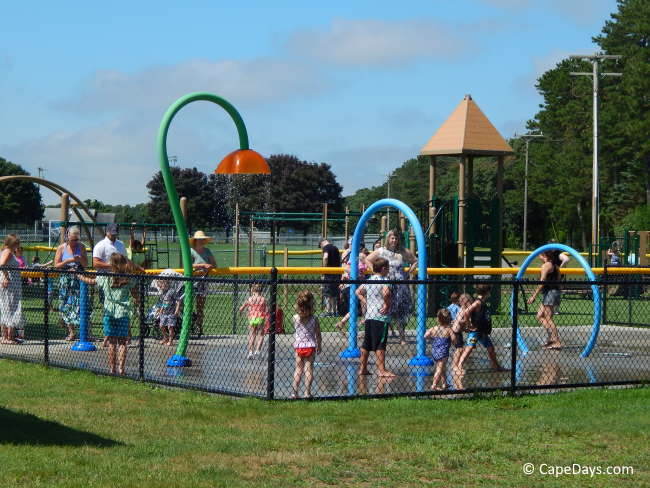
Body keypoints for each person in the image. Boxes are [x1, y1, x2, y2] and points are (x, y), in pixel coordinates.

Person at [77, 253, 138, 375]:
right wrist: (137, 300)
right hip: (123, 312)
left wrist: (79, 276)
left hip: (109, 312)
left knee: (111, 342)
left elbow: (91, 281)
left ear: (111, 264)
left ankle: (112, 368)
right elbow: (135, 293)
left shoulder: (105, 277)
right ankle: (121, 368)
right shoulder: (128, 278)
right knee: (122, 342)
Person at [366, 229, 416, 344]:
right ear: (388, 239)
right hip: (386, 284)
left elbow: (415, 261)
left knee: (400, 312)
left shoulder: (402, 252)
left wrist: (408, 273)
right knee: (384, 309)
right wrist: (375, 272)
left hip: (400, 286)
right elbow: (367, 259)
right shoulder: (381, 251)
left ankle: (402, 337)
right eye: (392, 238)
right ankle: (380, 336)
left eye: (396, 238)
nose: (394, 240)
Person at [356, 257, 396, 377]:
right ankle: (381, 370)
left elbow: (358, 292)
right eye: (388, 268)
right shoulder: (385, 280)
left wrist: (366, 301)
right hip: (381, 316)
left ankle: (363, 368)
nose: (388, 270)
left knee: (366, 343)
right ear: (383, 268)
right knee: (380, 343)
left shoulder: (370, 280)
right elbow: (386, 293)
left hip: (369, 315)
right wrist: (387, 304)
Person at [457, 284, 507, 372]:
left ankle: (496, 366)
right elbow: (466, 312)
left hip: (482, 332)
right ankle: (459, 366)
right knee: (469, 347)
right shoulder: (478, 302)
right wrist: (469, 325)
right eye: (489, 292)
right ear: (487, 293)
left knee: (490, 348)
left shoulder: (482, 302)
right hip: (475, 332)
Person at [54, 226, 88, 341]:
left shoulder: (82, 247)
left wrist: (80, 259)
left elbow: (86, 265)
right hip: (65, 280)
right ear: (67, 237)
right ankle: (72, 332)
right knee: (65, 305)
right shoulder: (61, 248)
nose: (74, 242)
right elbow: (56, 265)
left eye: (76, 240)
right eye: (72, 240)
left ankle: (85, 332)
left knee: (81, 305)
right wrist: (68, 261)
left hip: (78, 280)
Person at [527, 249, 562, 349]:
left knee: (548, 318)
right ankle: (551, 339)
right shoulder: (555, 266)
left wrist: (534, 296)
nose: (538, 256)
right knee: (539, 316)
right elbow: (559, 279)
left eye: (540, 255)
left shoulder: (546, 265)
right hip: (552, 292)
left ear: (544, 255)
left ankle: (557, 341)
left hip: (550, 293)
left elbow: (542, 281)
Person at [291, 290, 322, 398]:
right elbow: (318, 334)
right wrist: (319, 345)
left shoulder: (295, 318)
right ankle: (307, 392)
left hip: (299, 346)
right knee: (308, 370)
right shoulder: (314, 319)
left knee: (298, 369)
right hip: (310, 346)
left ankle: (294, 392)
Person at [190, 230, 217, 337]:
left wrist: (208, 266)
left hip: (203, 281)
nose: (201, 241)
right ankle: (189, 326)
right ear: (195, 240)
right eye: (199, 239)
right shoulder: (191, 251)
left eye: (203, 239)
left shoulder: (207, 251)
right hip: (192, 281)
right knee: (188, 304)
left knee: (200, 306)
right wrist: (202, 266)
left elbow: (214, 264)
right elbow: (187, 265)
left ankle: (199, 328)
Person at [0, 234, 25, 344]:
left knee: (7, 308)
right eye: (17, 243)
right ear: (12, 243)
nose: (18, 245)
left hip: (13, 284)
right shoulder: (8, 252)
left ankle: (6, 336)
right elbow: (2, 265)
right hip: (9, 284)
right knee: (11, 308)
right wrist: (6, 277)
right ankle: (9, 337)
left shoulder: (7, 251)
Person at [425, 309, 454, 390]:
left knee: (442, 368)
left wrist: (432, 338)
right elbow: (454, 340)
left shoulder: (434, 328)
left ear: (438, 319)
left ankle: (444, 383)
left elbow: (425, 336)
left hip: (435, 352)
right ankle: (434, 385)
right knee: (440, 369)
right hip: (443, 353)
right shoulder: (448, 329)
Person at [153, 269, 183, 346]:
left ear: (166, 284)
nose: (160, 286)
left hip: (171, 312)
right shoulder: (163, 293)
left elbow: (178, 300)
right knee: (161, 326)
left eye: (161, 284)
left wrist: (177, 310)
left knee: (170, 327)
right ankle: (165, 337)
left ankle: (170, 340)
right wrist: (160, 310)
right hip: (164, 312)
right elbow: (163, 303)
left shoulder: (172, 291)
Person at [239, 283, 268, 359]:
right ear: (261, 291)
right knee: (261, 335)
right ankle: (258, 350)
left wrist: (241, 312)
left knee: (252, 335)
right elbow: (267, 310)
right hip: (260, 318)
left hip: (252, 318)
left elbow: (241, 308)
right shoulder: (263, 299)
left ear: (252, 290)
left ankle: (250, 352)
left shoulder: (250, 299)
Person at [319, 238, 341, 316]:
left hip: (328, 274)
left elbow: (325, 257)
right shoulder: (335, 248)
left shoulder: (326, 248)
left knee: (327, 293)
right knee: (334, 293)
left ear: (322, 243)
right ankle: (334, 311)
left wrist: (324, 269)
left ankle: (328, 311)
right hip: (336, 273)